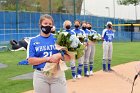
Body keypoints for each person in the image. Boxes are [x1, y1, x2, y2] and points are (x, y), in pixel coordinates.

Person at [27, 14, 70, 93]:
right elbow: (30, 60)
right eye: (45, 24)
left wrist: (60, 55)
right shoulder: (33, 40)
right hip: (40, 75)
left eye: (50, 24)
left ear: (52, 26)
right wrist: (48, 58)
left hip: (57, 73)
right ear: (40, 25)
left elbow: (68, 57)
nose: (48, 26)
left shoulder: (58, 38)